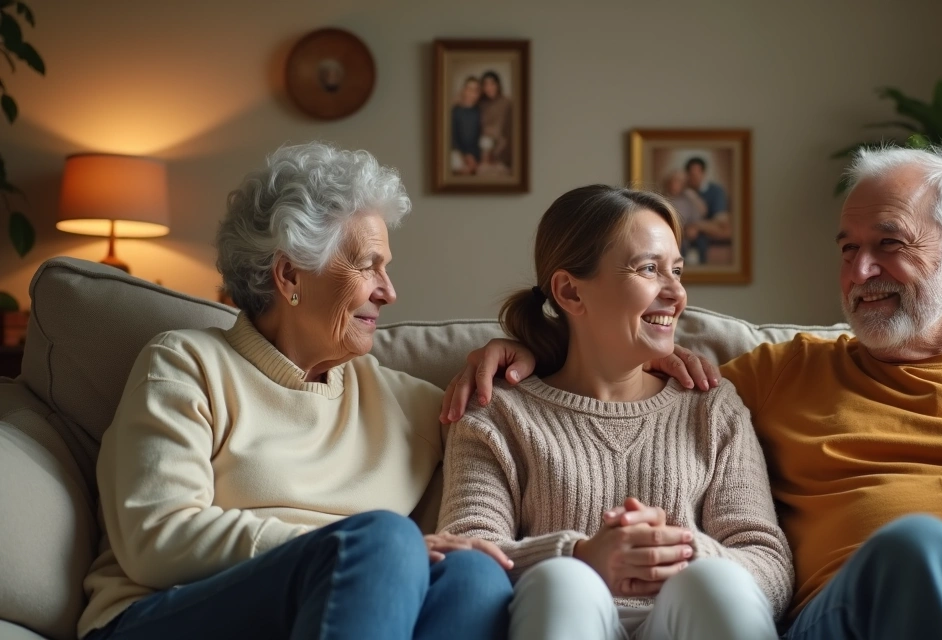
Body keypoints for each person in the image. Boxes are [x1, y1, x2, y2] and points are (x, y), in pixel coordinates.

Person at [442, 146, 942, 639]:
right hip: (876, 599)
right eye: (849, 250)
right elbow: (627, 379)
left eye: (888, 245)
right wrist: (527, 347)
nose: (860, 273)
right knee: (919, 547)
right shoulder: (778, 374)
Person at [78, 142, 514, 640]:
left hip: (344, 609)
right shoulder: (185, 364)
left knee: (474, 578)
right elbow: (155, 539)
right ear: (288, 275)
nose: (388, 291)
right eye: (368, 265)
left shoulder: (408, 404)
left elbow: (533, 419)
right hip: (161, 616)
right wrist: (343, 546)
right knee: (386, 541)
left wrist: (523, 354)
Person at [437, 185, 793, 640]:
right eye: (649, 269)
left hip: (686, 619)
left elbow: (770, 564)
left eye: (677, 271)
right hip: (560, 616)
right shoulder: (496, 413)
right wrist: (582, 555)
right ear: (570, 291)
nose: (676, 293)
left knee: (716, 579)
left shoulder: (711, 407)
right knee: (564, 580)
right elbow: (464, 558)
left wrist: (682, 551)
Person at [683, 157, 732, 264]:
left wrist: (696, 226)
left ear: (703, 173)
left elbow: (720, 221)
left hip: (709, 229)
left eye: (697, 173)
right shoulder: (683, 191)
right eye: (691, 174)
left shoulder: (716, 191)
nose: (694, 177)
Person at [659, 169, 708, 261]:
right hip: (669, 232)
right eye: (675, 180)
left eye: (680, 182)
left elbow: (698, 216)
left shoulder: (687, 200)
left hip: (686, 232)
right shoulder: (661, 199)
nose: (677, 184)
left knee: (701, 241)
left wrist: (694, 228)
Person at [478, 71, 513, 171]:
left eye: (492, 84)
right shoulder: (481, 104)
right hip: (483, 145)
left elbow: (509, 130)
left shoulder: (507, 103)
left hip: (502, 145)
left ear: (497, 85)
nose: (489, 88)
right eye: (485, 85)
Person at [451, 76, 482, 175]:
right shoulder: (455, 111)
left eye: (475, 90)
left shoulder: (479, 112)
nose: (472, 93)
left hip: (475, 154)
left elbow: (479, 137)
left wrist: (473, 156)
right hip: (458, 152)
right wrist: (465, 155)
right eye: (469, 89)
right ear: (464, 90)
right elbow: (453, 137)